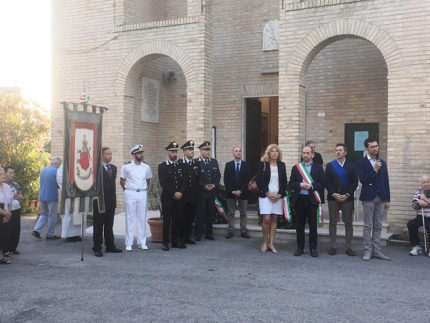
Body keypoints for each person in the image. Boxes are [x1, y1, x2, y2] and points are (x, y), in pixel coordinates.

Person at [356, 138, 391, 261]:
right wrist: (375, 169)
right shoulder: (361, 163)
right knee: (367, 225)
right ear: (367, 148)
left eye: (376, 146)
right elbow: (364, 181)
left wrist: (387, 199)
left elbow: (386, 181)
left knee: (378, 225)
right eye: (372, 147)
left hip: (381, 197)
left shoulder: (382, 162)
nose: (375, 148)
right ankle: (367, 250)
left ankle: (377, 250)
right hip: (368, 198)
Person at [290, 145, 325, 257]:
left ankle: (313, 248)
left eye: (308, 153)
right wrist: (299, 184)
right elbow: (291, 183)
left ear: (312, 154)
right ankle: (300, 248)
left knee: (313, 225)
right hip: (300, 199)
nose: (305, 155)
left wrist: (311, 186)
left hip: (312, 200)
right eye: (304, 153)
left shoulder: (318, 168)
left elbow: (322, 184)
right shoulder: (296, 168)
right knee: (299, 225)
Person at [325, 144, 358, 256]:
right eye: (337, 150)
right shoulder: (330, 165)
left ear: (345, 152)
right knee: (332, 222)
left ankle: (348, 247)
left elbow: (355, 182)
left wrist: (347, 194)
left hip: (347, 199)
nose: (338, 152)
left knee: (348, 223)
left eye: (340, 150)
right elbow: (327, 182)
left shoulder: (352, 166)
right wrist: (334, 194)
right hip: (333, 198)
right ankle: (332, 246)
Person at [120, 144, 152, 251]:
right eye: (138, 153)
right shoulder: (126, 167)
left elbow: (148, 180)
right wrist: (128, 190)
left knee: (142, 218)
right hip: (130, 193)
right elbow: (122, 181)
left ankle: (142, 242)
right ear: (133, 155)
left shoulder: (146, 167)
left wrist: (141, 188)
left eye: (141, 153)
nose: (141, 155)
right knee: (130, 218)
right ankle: (128, 243)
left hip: (142, 193)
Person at [256, 144, 288, 253]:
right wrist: (268, 193)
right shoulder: (263, 164)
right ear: (268, 153)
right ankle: (265, 242)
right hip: (266, 196)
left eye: (276, 151)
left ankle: (271, 243)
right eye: (272, 151)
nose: (275, 153)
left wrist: (280, 194)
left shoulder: (282, 165)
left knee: (274, 219)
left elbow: (284, 182)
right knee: (266, 219)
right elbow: (259, 181)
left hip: (277, 197)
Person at [92, 147, 122, 257]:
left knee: (109, 225)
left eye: (111, 153)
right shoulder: (96, 169)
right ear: (102, 155)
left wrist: (114, 201)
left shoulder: (113, 168)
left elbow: (112, 186)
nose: (110, 155)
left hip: (111, 201)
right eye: (108, 154)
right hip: (99, 201)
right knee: (98, 225)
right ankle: (97, 247)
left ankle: (110, 245)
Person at [158, 142, 187, 251]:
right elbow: (163, 182)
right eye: (172, 151)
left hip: (179, 197)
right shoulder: (163, 166)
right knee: (167, 220)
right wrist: (173, 192)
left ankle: (175, 241)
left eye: (175, 151)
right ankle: (165, 242)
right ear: (168, 153)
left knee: (177, 219)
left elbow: (184, 181)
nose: (174, 153)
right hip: (168, 197)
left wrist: (180, 192)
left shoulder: (181, 165)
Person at [194, 141, 221, 241]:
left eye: (208, 149)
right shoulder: (196, 162)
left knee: (210, 213)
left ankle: (209, 233)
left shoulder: (213, 161)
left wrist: (214, 184)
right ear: (200, 151)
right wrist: (204, 186)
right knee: (200, 214)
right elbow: (196, 178)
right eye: (205, 150)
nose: (207, 151)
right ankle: (198, 234)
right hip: (201, 193)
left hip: (211, 192)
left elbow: (218, 175)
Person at [224, 146, 251, 239]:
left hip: (243, 193)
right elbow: (226, 180)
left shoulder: (246, 165)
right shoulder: (228, 165)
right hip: (230, 193)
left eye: (240, 151)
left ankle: (243, 231)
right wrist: (232, 191)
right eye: (236, 151)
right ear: (233, 153)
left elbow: (248, 180)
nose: (238, 152)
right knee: (231, 212)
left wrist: (241, 190)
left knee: (243, 213)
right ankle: (230, 230)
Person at [32, 157, 62, 240]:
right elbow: (58, 184)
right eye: (59, 164)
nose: (59, 166)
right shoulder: (56, 171)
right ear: (56, 163)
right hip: (52, 196)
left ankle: (36, 230)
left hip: (42, 196)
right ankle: (50, 234)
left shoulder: (43, 170)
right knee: (52, 216)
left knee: (44, 214)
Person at [58, 164, 86, 243]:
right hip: (70, 194)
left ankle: (76, 234)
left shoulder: (80, 163)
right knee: (70, 216)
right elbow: (60, 178)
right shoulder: (64, 165)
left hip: (80, 194)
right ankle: (69, 235)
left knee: (79, 215)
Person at [178, 140, 198, 245]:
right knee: (182, 218)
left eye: (192, 149)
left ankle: (188, 237)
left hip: (193, 195)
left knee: (190, 217)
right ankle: (181, 238)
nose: (192, 151)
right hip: (183, 195)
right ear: (184, 152)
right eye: (189, 150)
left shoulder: (195, 163)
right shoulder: (180, 163)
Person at [407, 175, 430, 256]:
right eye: (424, 182)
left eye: (427, 182)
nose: (426, 184)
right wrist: (418, 203)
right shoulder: (418, 192)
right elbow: (414, 207)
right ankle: (416, 247)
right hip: (421, 216)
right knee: (411, 224)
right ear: (421, 184)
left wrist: (425, 199)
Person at [4, 166, 23, 255]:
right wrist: (14, 195)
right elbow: (6, 197)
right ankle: (5, 249)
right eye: (10, 172)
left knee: (16, 229)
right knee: (8, 229)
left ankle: (13, 247)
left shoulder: (15, 184)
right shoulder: (3, 184)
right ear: (5, 173)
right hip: (7, 209)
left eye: (13, 173)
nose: (12, 175)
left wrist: (14, 195)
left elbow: (20, 196)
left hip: (16, 208)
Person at [0, 167, 13, 264]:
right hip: (1, 213)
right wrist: (4, 214)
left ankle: (1, 256)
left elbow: (10, 201)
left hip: (5, 213)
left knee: (3, 236)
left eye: (3, 174)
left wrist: (8, 214)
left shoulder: (7, 187)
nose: (3, 176)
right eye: (1, 174)